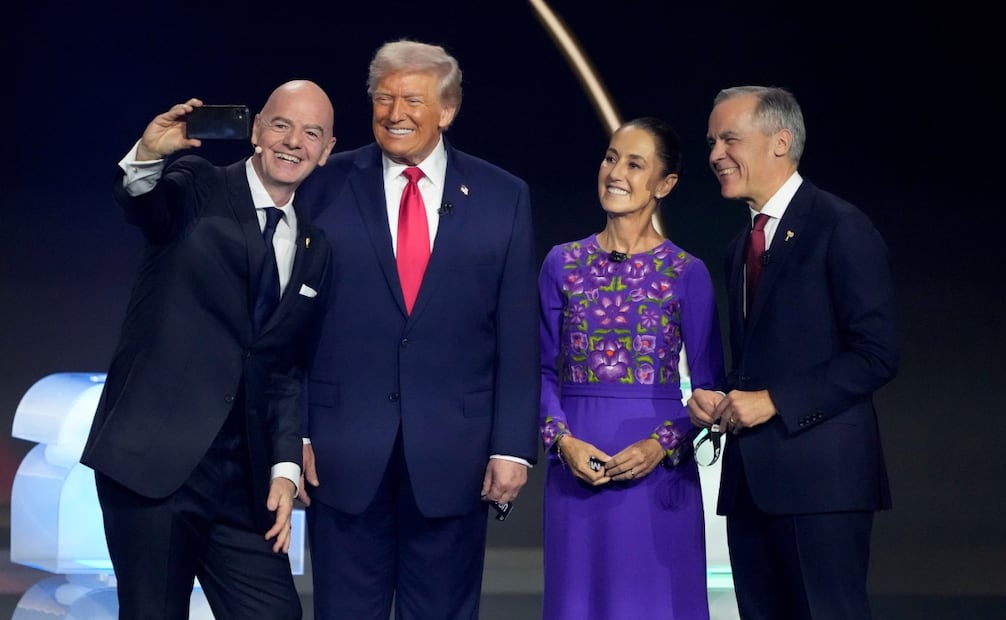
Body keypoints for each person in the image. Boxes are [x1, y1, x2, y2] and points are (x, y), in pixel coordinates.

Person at [295, 39, 540, 619]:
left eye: (412, 99)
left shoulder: (503, 197)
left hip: (455, 452)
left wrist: (512, 446)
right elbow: (292, 325)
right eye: (383, 98)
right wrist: (297, 434)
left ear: (447, 110)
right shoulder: (324, 184)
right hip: (341, 448)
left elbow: (516, 333)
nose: (394, 112)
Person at [80, 79, 337, 619]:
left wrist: (285, 470)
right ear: (257, 131)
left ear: (327, 150)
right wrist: (149, 154)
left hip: (244, 483)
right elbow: (143, 202)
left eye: (311, 133)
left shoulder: (316, 249)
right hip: (155, 466)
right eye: (282, 125)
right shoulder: (197, 185)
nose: (294, 142)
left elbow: (287, 368)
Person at [689, 85, 899, 619]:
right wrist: (722, 397)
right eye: (712, 141)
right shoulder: (740, 246)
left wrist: (773, 400)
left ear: (780, 142)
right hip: (751, 486)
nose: (715, 154)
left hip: (822, 483)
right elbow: (764, 354)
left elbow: (876, 353)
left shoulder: (840, 227)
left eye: (729, 138)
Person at [538, 116, 725, 620]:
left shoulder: (688, 273)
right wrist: (562, 440)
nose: (615, 171)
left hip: (657, 472)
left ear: (665, 184)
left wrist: (660, 444)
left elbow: (712, 392)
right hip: (577, 466)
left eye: (635, 164)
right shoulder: (562, 262)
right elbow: (537, 370)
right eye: (610, 157)